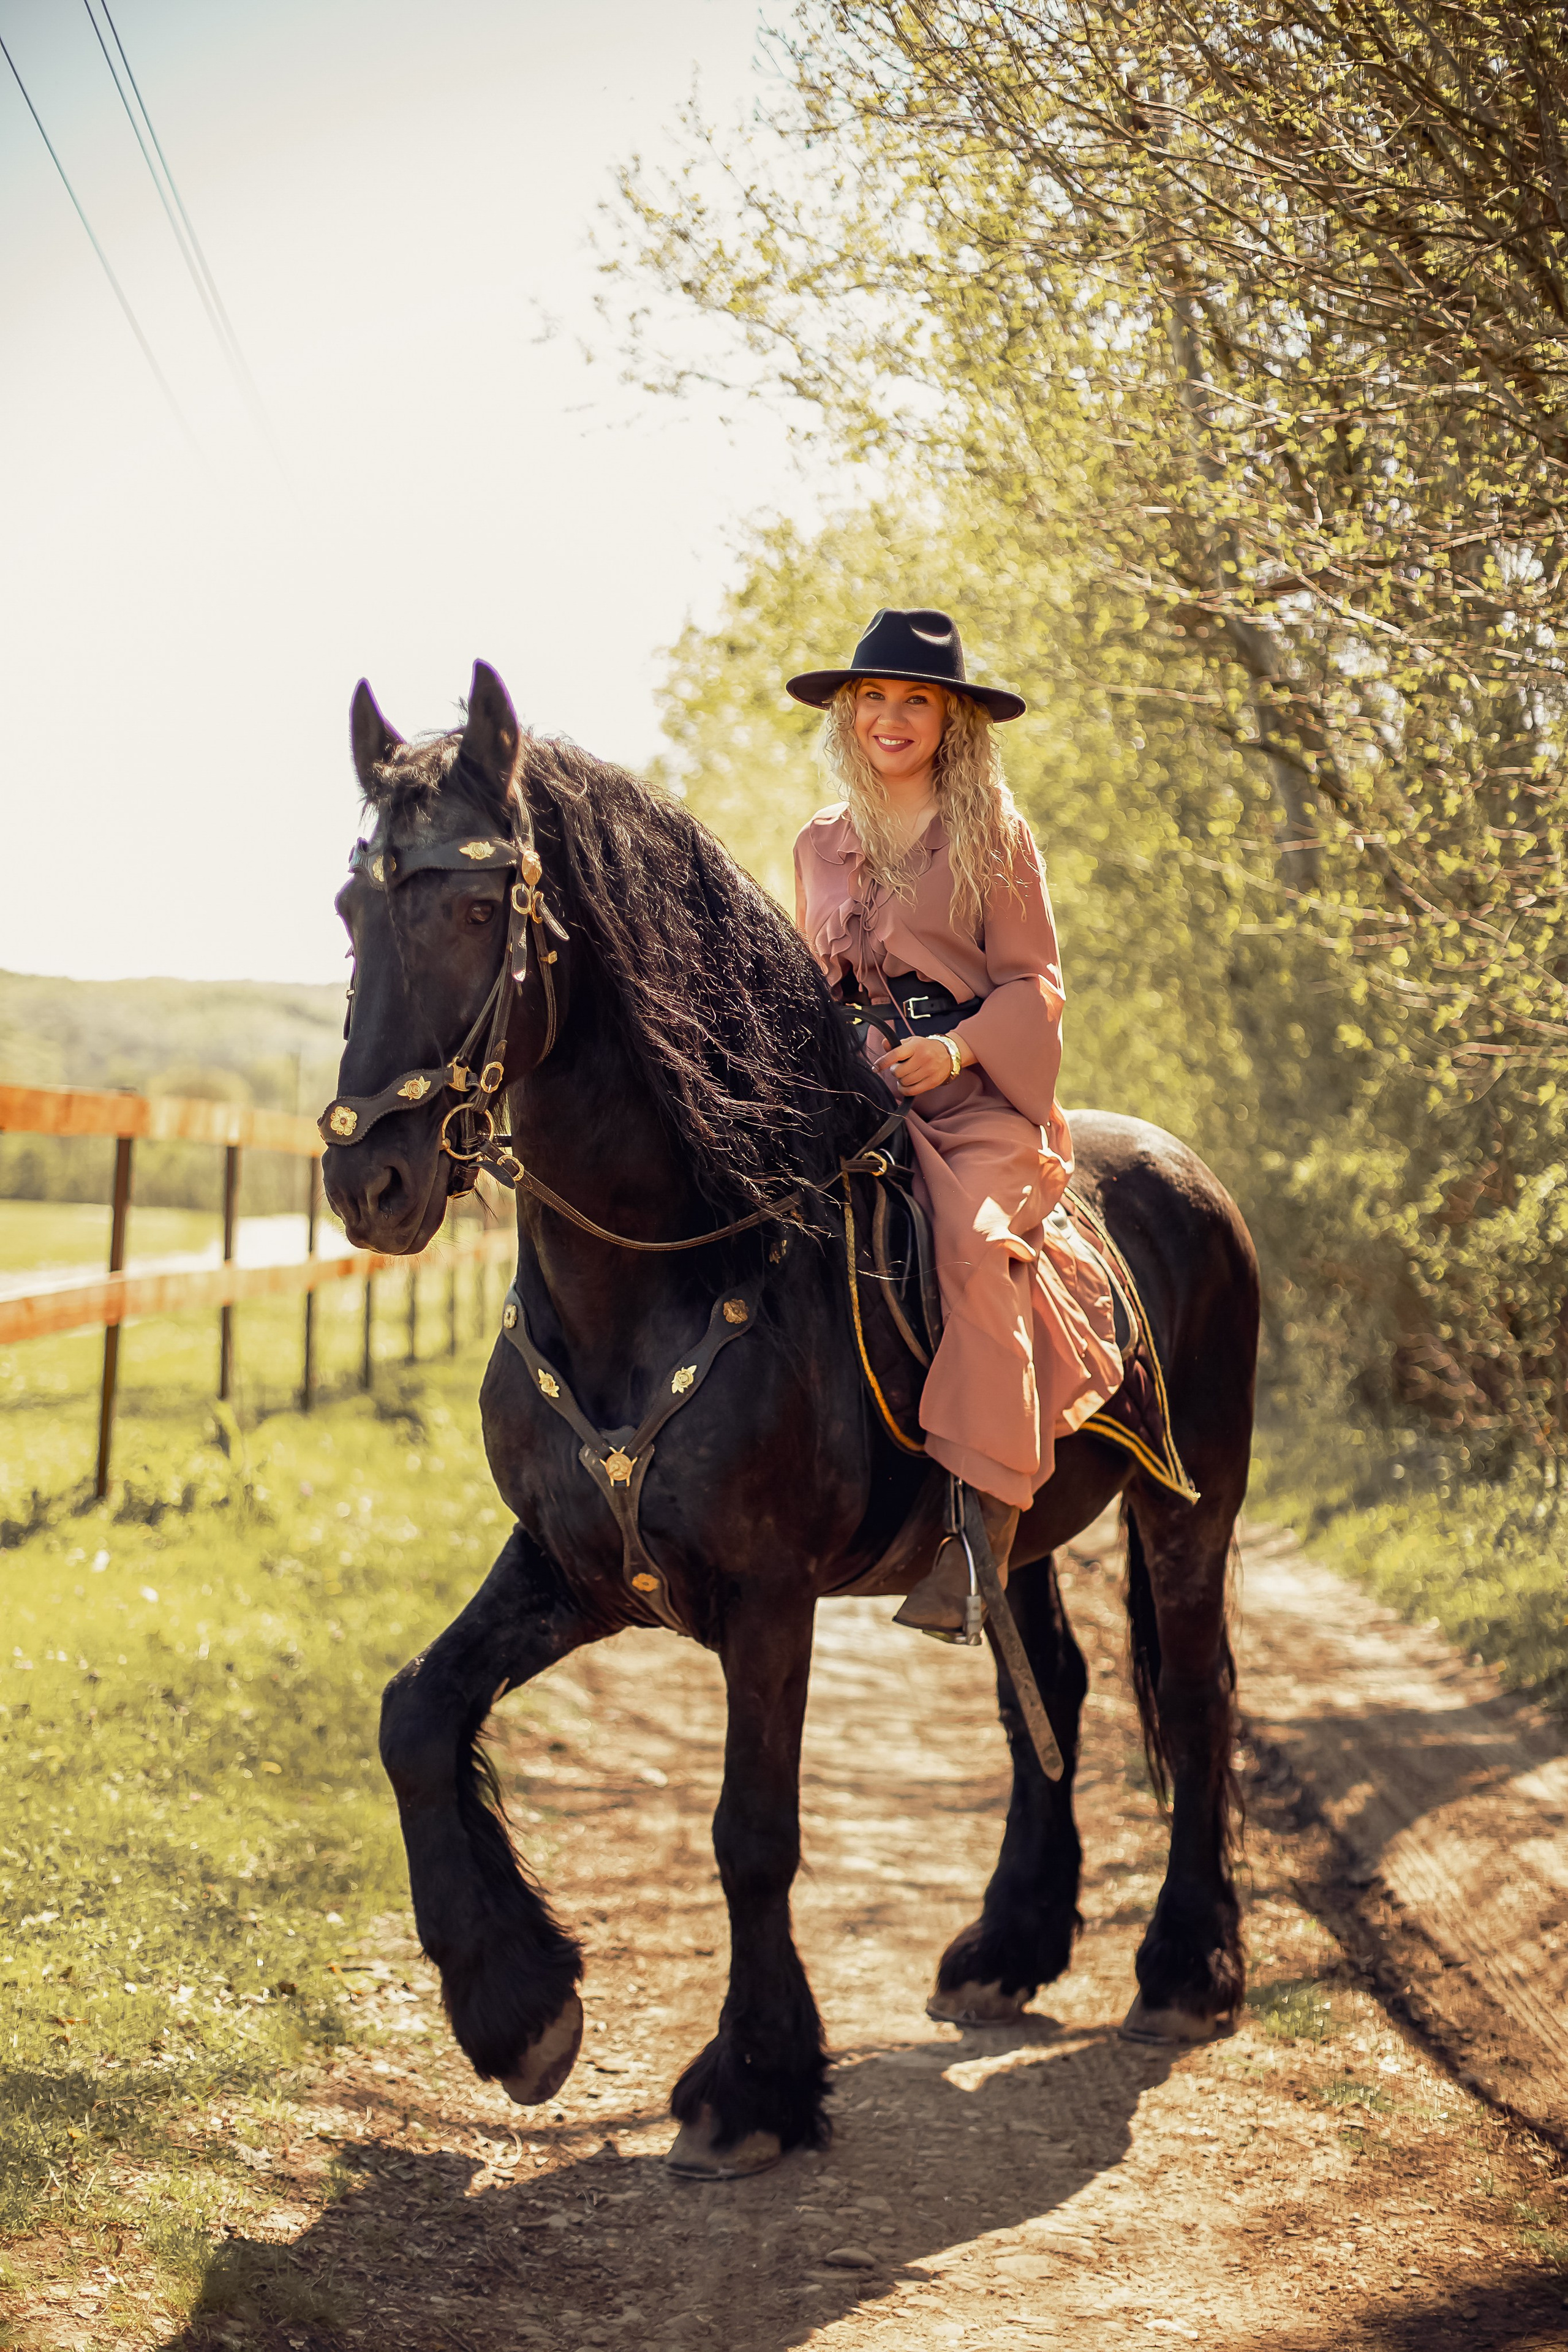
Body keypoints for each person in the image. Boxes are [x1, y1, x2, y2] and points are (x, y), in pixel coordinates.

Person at [789, 607, 1122, 1636]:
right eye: (875, 699)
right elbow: (808, 979)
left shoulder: (994, 837)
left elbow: (1036, 984)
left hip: (974, 1102)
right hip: (851, 1092)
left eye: (916, 701)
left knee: (976, 1253)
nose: (893, 718)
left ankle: (981, 1533)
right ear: (850, 715)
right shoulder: (820, 844)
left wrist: (958, 1049)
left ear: (951, 720)